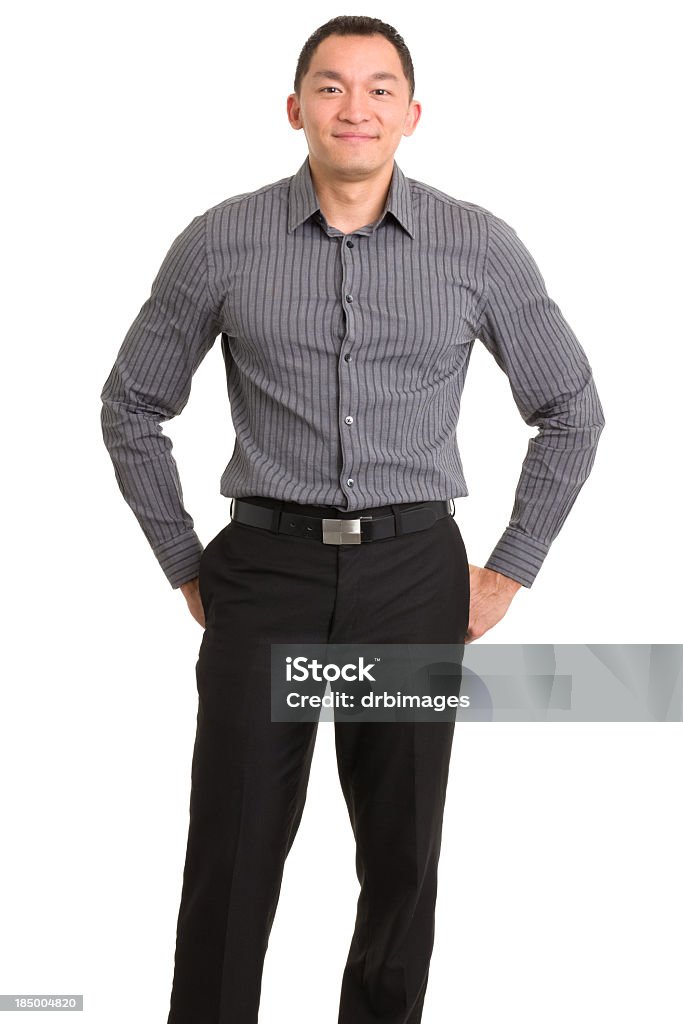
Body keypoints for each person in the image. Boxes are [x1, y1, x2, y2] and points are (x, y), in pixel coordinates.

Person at [100, 15, 605, 1024]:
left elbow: (569, 411)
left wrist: (506, 568)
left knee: (399, 851)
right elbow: (131, 406)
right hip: (263, 573)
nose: (354, 107)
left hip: (413, 572)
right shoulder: (221, 240)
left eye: (379, 89)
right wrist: (186, 566)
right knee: (232, 849)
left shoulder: (476, 245)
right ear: (295, 109)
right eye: (329, 87)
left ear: (411, 115)